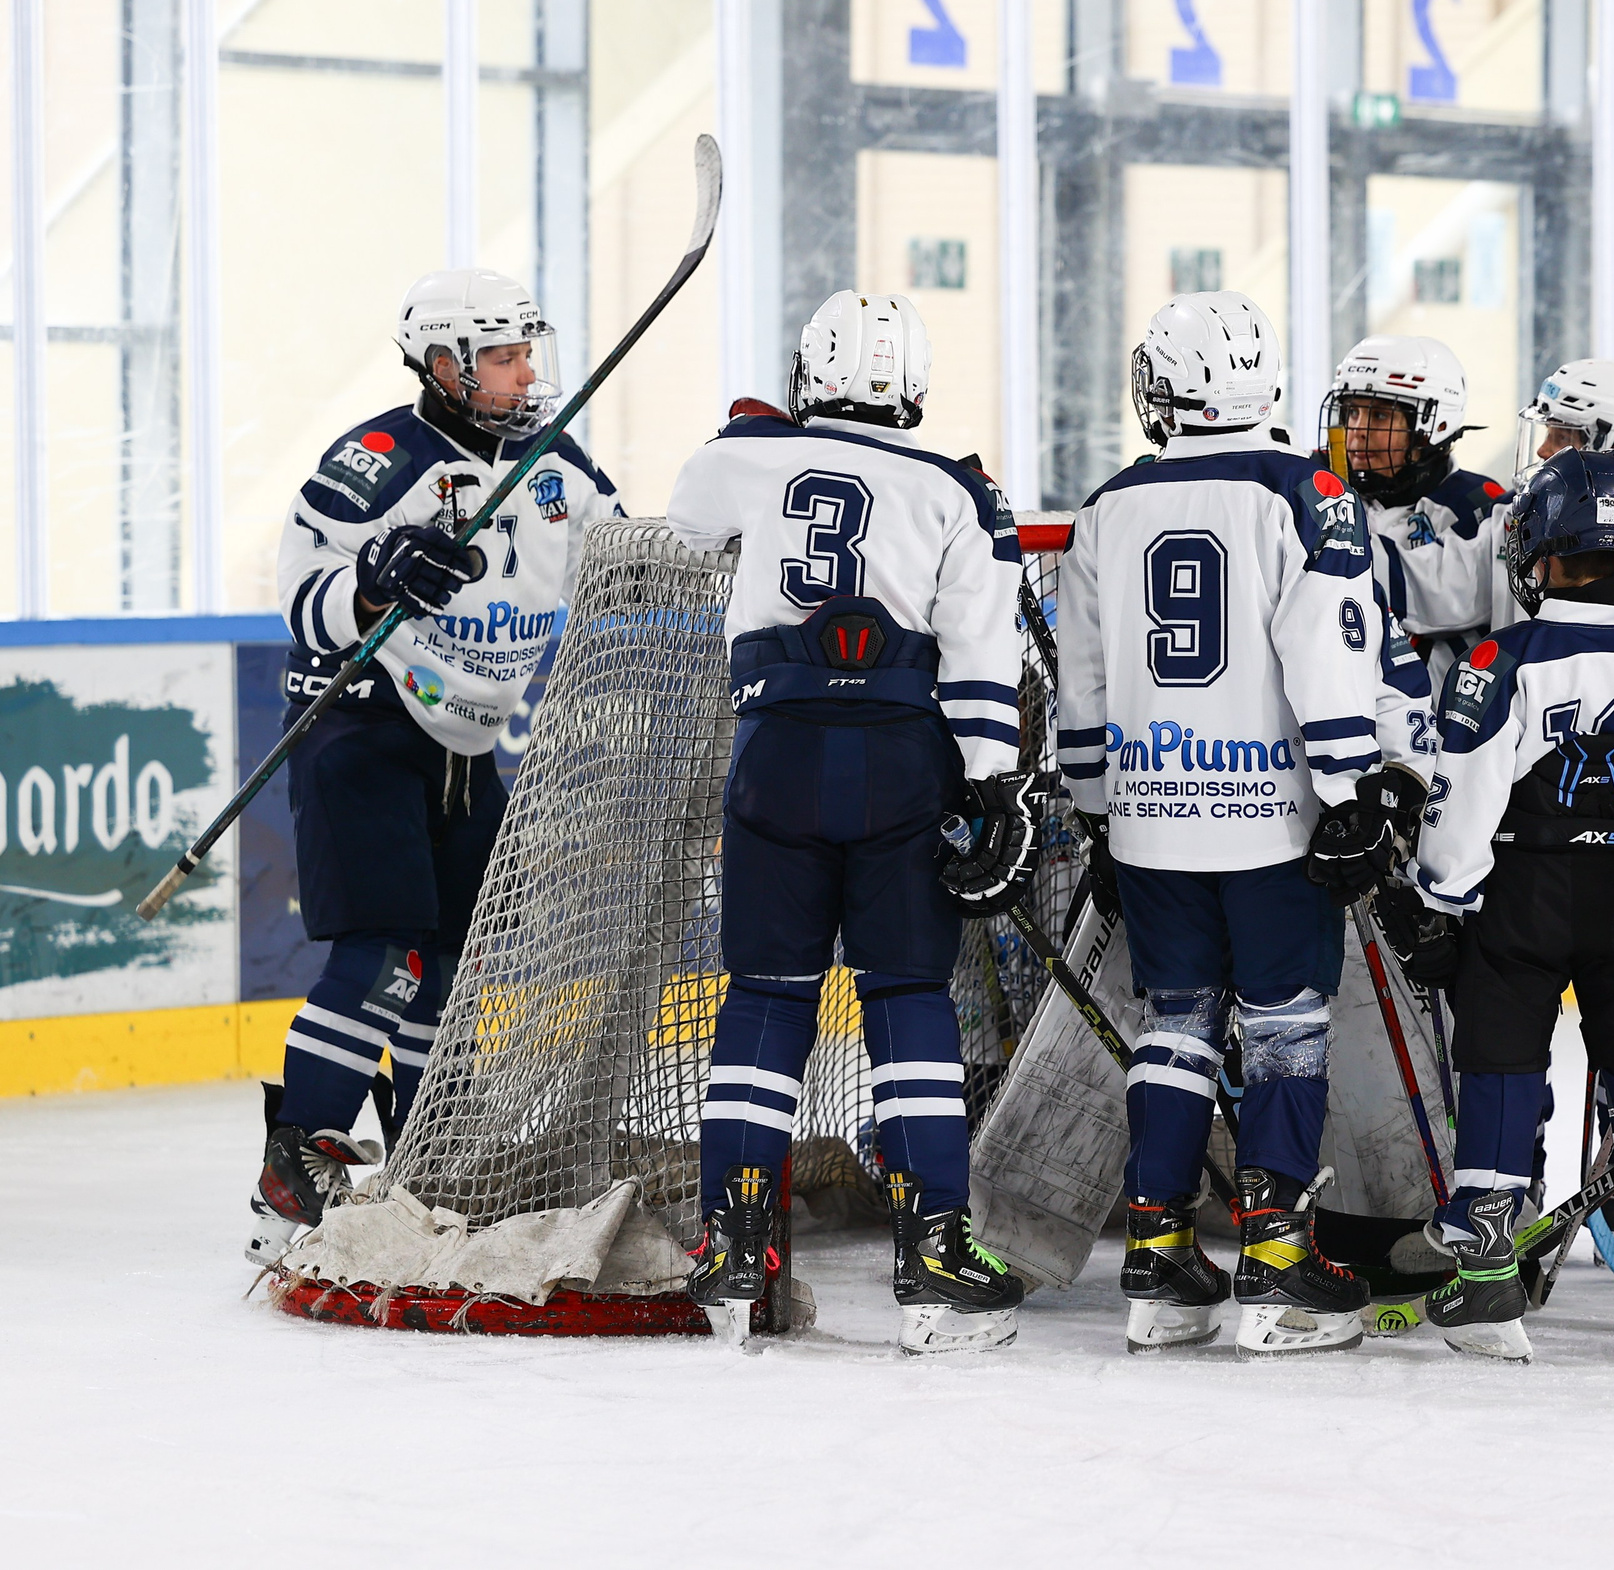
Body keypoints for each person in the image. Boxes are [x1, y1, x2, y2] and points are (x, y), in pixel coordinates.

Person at [665, 291, 1036, 1354]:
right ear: (910, 385)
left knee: (766, 994)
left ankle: (733, 1246)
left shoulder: (755, 455)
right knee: (908, 994)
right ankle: (932, 1253)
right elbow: (980, 647)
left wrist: (747, 437)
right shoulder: (956, 488)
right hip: (898, 762)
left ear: (808, 373)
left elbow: (689, 510)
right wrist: (992, 783)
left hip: (772, 755)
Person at [1057, 290, 1416, 1357]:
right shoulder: (1305, 491)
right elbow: (1327, 649)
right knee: (1285, 1026)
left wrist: (1093, 815)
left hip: (1151, 813)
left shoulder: (1107, 504)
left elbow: (1082, 682)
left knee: (1175, 1021)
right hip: (1273, 819)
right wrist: (1353, 790)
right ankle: (1272, 1263)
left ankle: (1158, 1253)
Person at [253, 268, 620, 1265]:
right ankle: (300, 1164)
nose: (526, 370)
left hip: (466, 746)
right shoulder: (382, 458)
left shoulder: (556, 463)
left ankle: (425, 1169)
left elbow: (624, 555)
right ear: (448, 364)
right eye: (503, 354)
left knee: (454, 973)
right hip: (362, 726)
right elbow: (298, 593)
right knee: (387, 956)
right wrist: (375, 586)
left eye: (525, 350)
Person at [1384, 448, 1614, 1363]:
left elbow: (1469, 793)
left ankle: (1485, 1274)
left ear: (1540, 546)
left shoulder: (1506, 655)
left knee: (1501, 1066)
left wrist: (1441, 896)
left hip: (1526, 897)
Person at [1388, 359, 1614, 654]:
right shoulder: (1516, 513)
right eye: (1548, 434)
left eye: (1562, 438)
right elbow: (1431, 588)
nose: (1543, 451)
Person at [1322, 334, 1507, 689]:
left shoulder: (1479, 506)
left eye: (1378, 415)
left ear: (1430, 428)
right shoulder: (1319, 480)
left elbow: (1438, 600)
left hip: (1436, 719)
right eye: (1352, 411)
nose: (1357, 431)